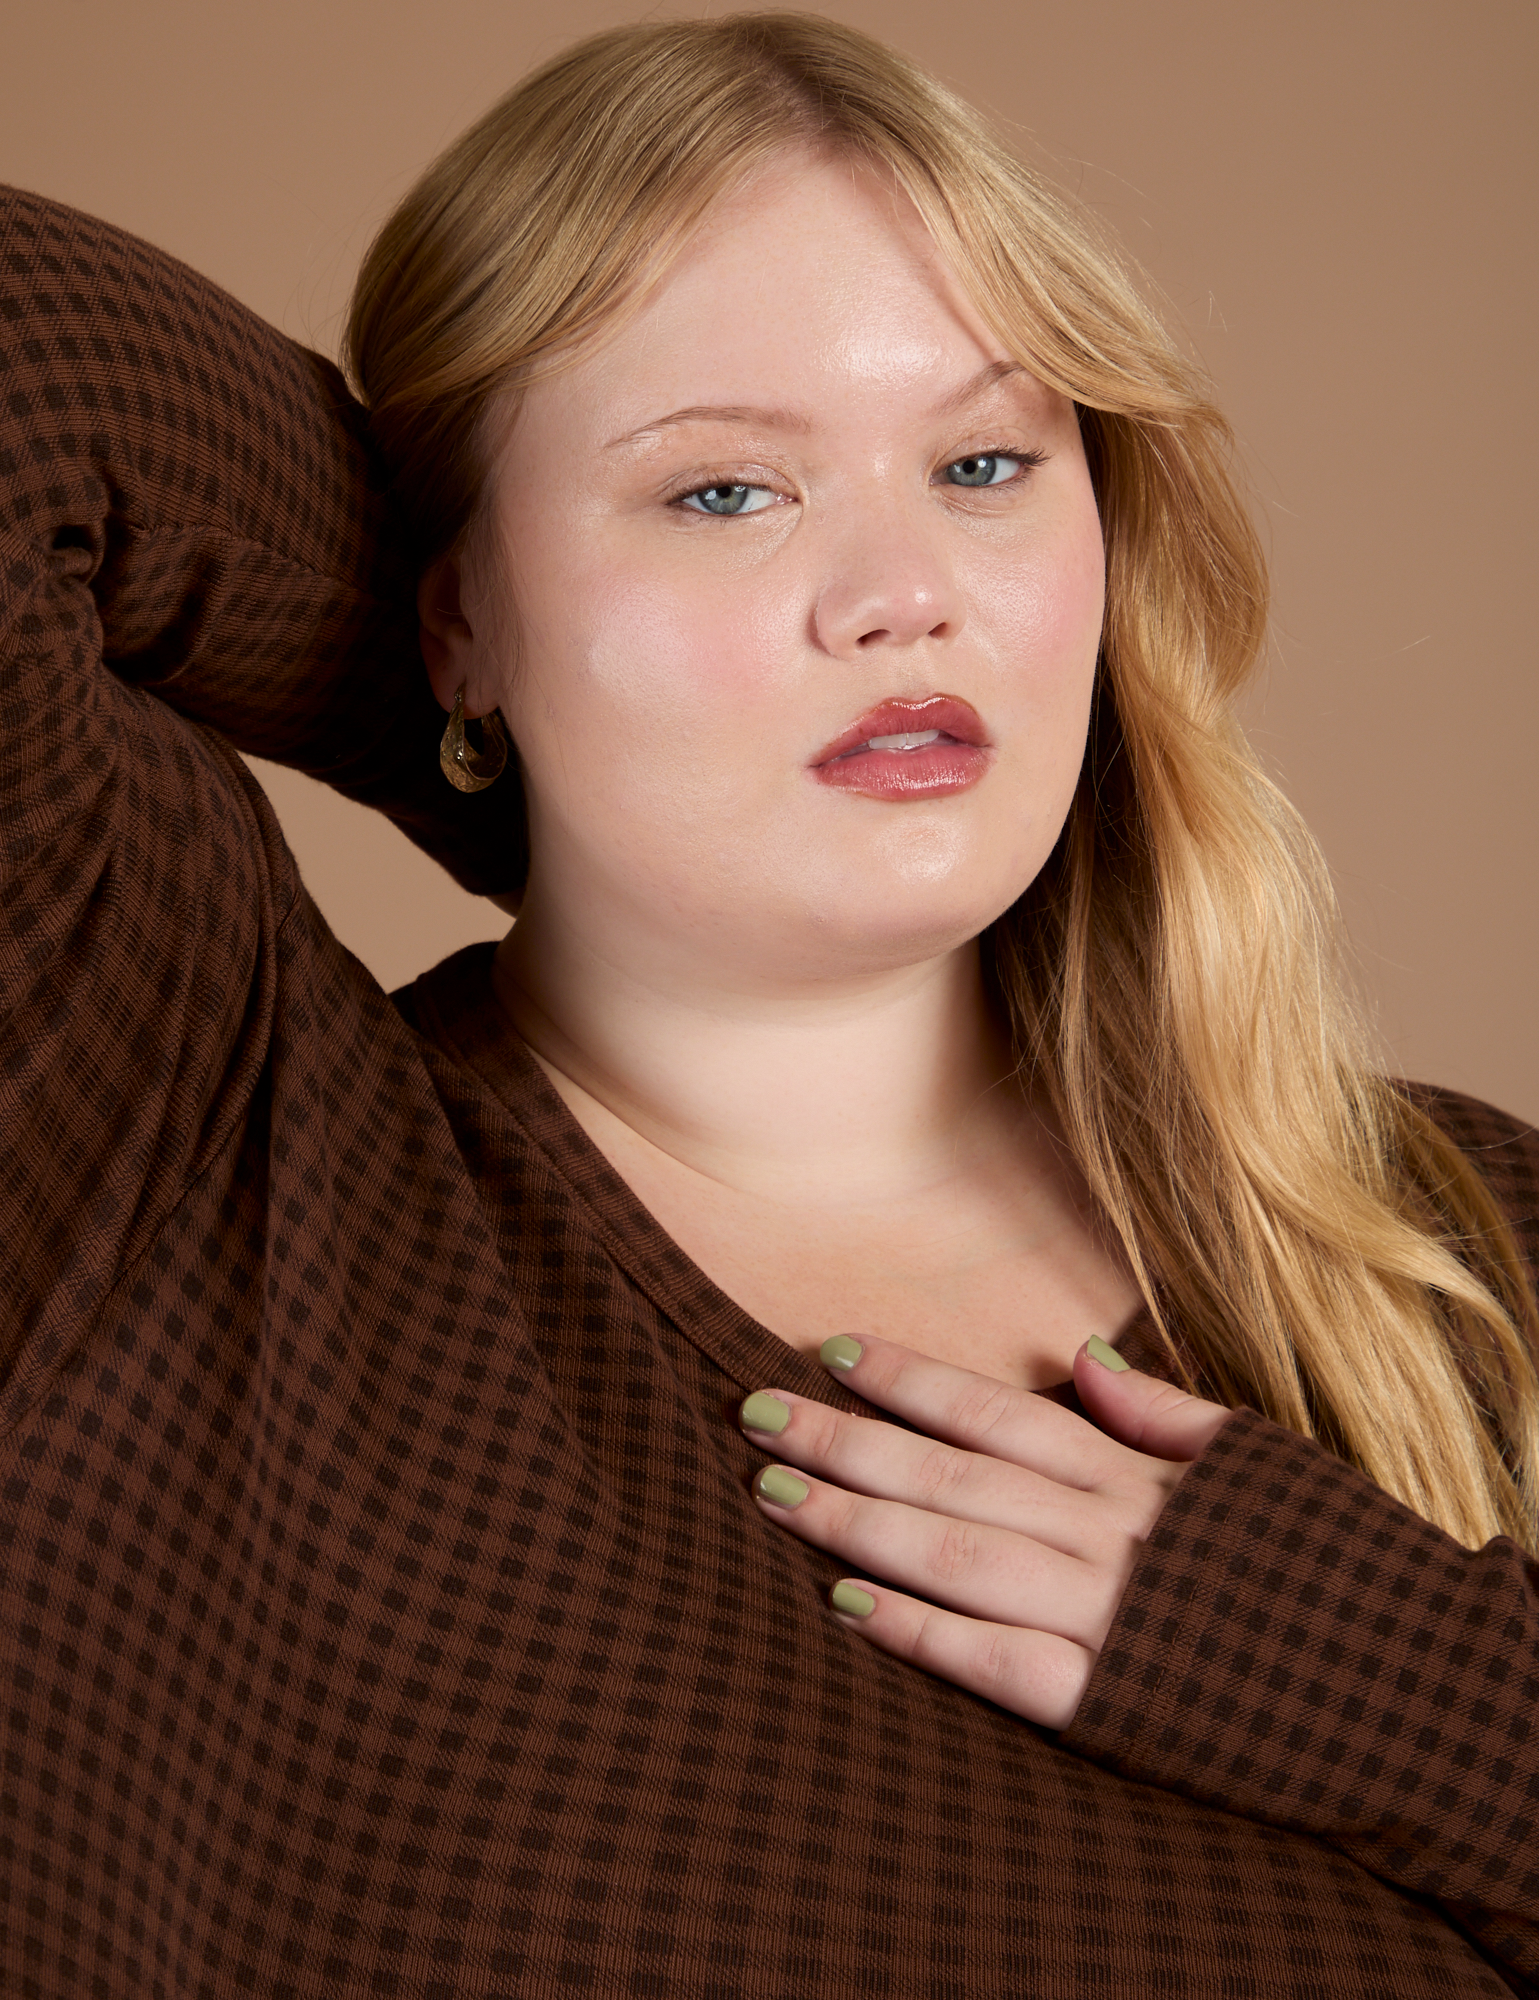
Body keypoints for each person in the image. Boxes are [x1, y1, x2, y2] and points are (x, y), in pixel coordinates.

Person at [2, 13, 1536, 1997]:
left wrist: (1427, 1701)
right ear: (454, 598)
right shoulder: (205, 1160)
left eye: (984, 461)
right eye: (725, 493)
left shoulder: (1460, 1252)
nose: (906, 591)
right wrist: (493, 722)